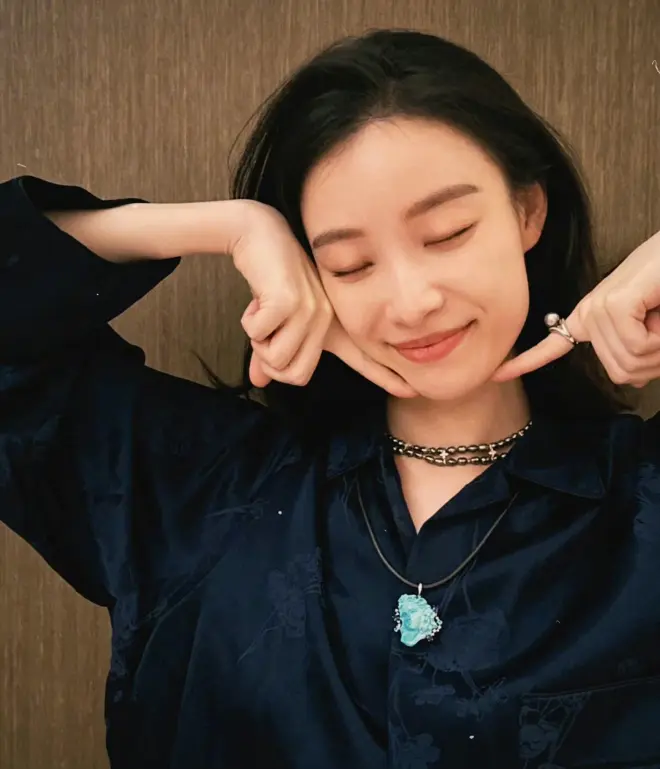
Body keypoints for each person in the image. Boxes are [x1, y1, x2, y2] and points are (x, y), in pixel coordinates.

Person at [1, 27, 660, 769]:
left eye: (447, 233)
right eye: (349, 263)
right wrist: (233, 226)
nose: (411, 302)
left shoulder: (642, 503)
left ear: (528, 213)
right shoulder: (203, 490)